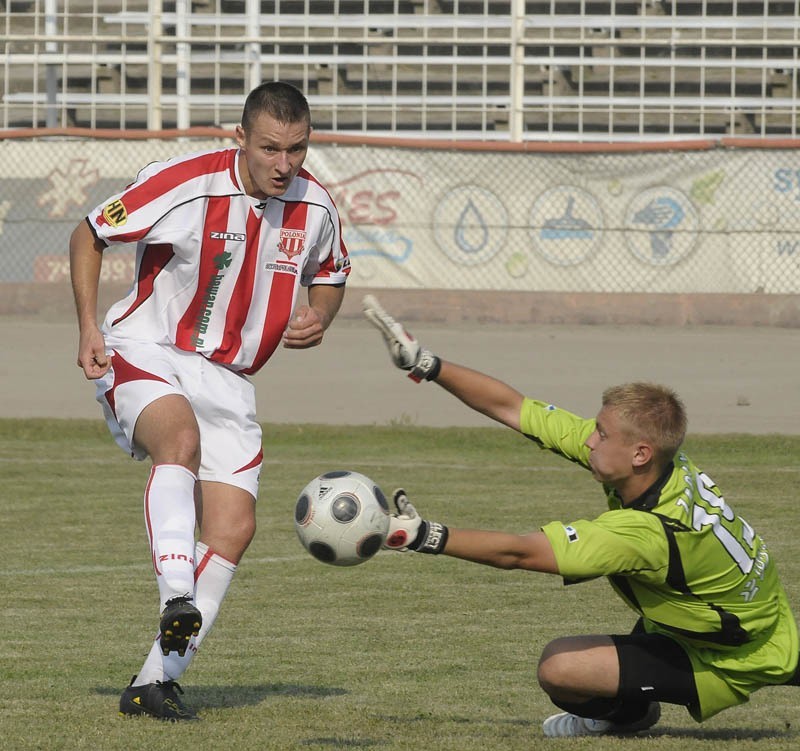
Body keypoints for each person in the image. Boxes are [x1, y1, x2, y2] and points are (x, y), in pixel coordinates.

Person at [362, 294, 799, 737]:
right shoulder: (660, 465)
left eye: (602, 433)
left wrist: (420, 535)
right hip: (749, 614)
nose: (589, 439)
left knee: (560, 668)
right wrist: (426, 363)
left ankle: (629, 715)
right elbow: (516, 408)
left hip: (728, 651)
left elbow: (520, 554)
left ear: (640, 452)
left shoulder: (645, 533)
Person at [69, 81, 350, 721]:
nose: (285, 164)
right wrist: (88, 326)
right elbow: (89, 233)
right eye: (271, 149)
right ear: (241, 140)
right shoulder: (187, 182)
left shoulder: (316, 207)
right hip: (144, 346)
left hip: (228, 380)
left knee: (233, 529)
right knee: (179, 442)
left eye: (298, 150)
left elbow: (332, 273)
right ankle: (176, 595)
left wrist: (320, 316)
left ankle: (152, 684)